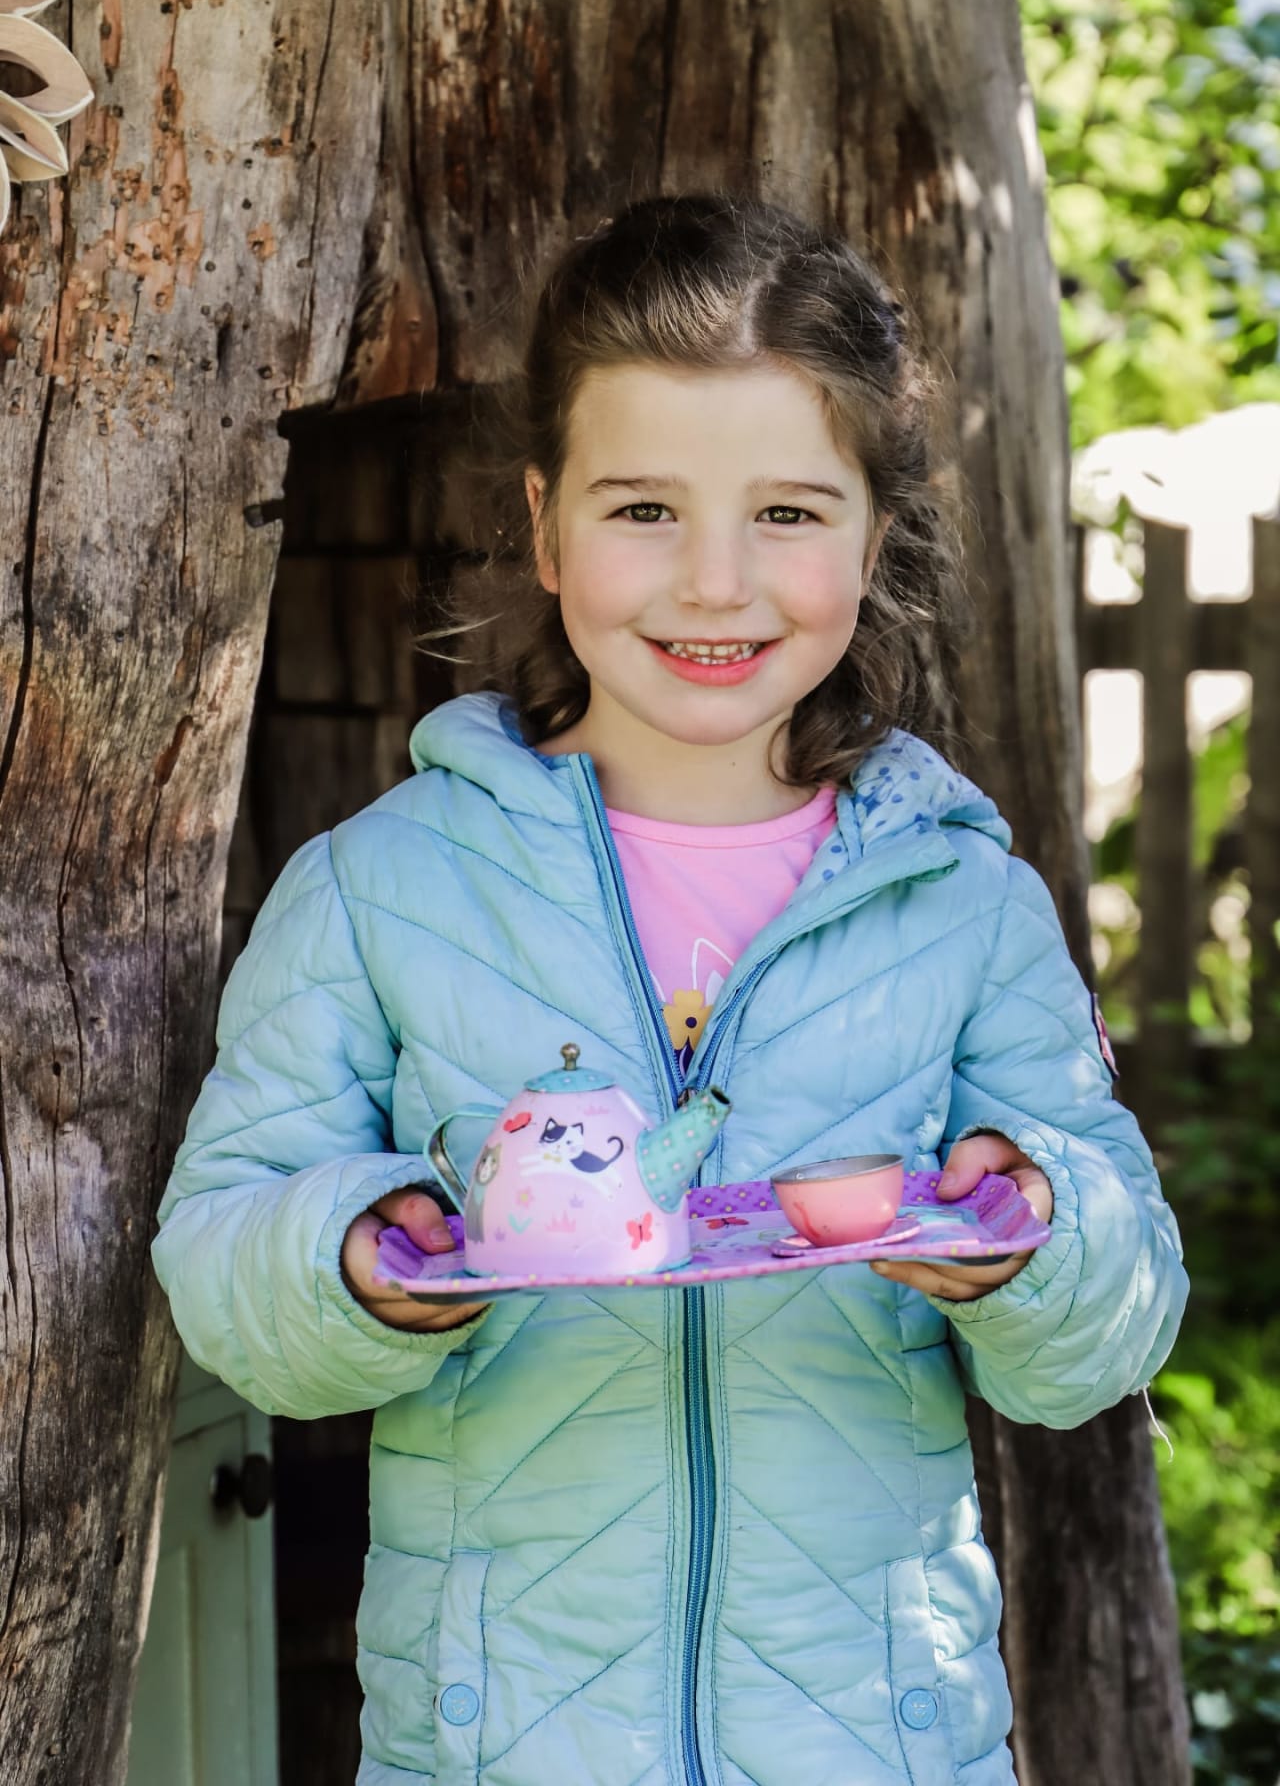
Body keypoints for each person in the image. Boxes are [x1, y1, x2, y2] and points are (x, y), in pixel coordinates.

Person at [152, 191, 1187, 1786]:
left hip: (883, 1746)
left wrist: (1035, 1231)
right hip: (497, 1748)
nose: (714, 583)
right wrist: (358, 1260)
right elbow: (224, 1259)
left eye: (788, 513)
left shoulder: (964, 902)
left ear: (873, 539)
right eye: (643, 508)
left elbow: (1112, 1331)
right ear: (546, 525)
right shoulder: (380, 886)